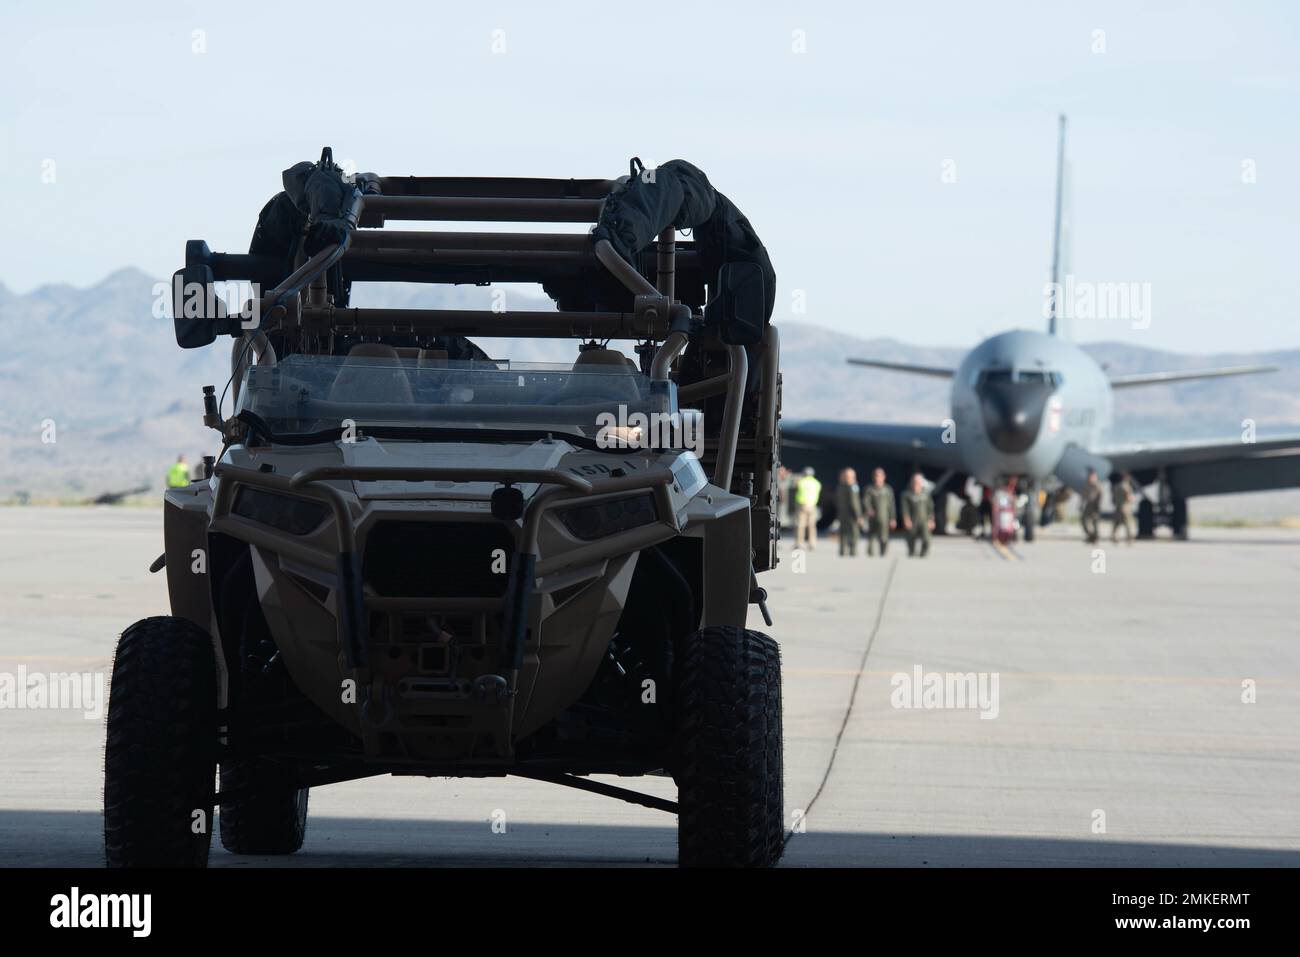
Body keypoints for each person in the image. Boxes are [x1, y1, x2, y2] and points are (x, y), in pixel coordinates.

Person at [862, 468, 895, 557]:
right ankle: (870, 554)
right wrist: (869, 509)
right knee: (871, 537)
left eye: (880, 476)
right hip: (872, 518)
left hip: (884, 517)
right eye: (876, 476)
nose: (878, 478)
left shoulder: (887, 490)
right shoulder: (870, 489)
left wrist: (892, 518)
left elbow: (891, 505)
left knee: (884, 537)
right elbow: (865, 501)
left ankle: (883, 553)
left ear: (884, 477)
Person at [900, 472, 935, 557]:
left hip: (924, 520)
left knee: (927, 539)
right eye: (915, 481)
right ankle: (911, 553)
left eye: (918, 481)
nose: (917, 483)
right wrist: (906, 519)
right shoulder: (907, 494)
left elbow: (930, 508)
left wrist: (931, 520)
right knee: (911, 538)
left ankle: (923, 553)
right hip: (913, 520)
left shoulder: (926, 494)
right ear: (912, 482)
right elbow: (905, 509)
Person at [835, 468, 864, 556]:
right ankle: (853, 551)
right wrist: (858, 516)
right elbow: (854, 503)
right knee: (854, 533)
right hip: (852, 515)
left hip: (842, 514)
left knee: (843, 532)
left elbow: (836, 501)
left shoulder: (840, 487)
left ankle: (842, 550)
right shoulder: (853, 487)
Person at [793, 467, 822, 551]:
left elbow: (795, 486)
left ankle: (799, 543)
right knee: (812, 525)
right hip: (812, 505)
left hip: (802, 504)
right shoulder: (817, 483)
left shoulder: (801, 481)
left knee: (800, 525)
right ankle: (812, 543)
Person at [1111, 471, 1136, 544]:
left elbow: (1113, 498)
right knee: (1128, 523)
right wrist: (1132, 499)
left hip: (1118, 507)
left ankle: (1114, 537)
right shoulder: (1126, 486)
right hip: (1125, 507)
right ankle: (1130, 538)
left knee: (1116, 523)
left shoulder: (1116, 486)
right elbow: (1128, 497)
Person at [1080, 468, 1103, 544]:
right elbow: (1083, 496)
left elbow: (1100, 496)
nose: (1090, 477)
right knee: (1084, 521)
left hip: (1095, 506)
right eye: (1089, 476)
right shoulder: (1086, 485)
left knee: (1095, 522)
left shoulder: (1097, 485)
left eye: (1092, 476)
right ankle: (1091, 536)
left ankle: (1095, 538)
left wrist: (1098, 506)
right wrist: (1081, 505)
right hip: (1088, 505)